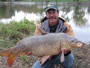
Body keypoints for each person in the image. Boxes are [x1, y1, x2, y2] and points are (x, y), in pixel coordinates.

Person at [32, 4, 74, 68]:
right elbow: (35, 43)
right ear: (46, 15)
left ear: (58, 13)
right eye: (49, 13)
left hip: (60, 55)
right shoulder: (40, 27)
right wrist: (33, 51)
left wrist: (67, 51)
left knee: (70, 57)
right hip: (45, 57)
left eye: (54, 12)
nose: (52, 15)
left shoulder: (67, 27)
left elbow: (72, 41)